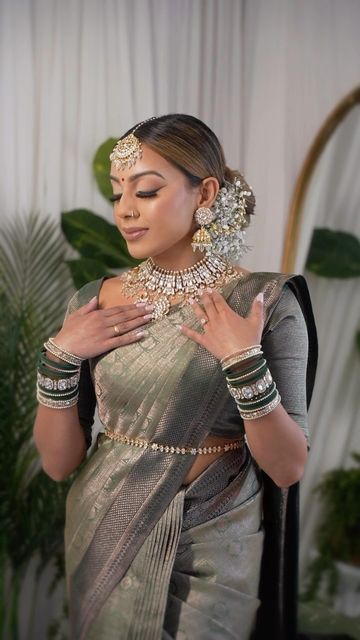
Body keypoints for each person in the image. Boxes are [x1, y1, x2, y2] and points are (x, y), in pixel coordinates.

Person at [33, 114, 317, 640]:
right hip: (105, 528)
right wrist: (59, 358)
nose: (125, 209)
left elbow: (287, 467)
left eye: (145, 190)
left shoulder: (264, 303)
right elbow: (57, 463)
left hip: (214, 538)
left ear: (205, 192)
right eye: (118, 193)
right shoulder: (95, 303)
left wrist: (243, 361)